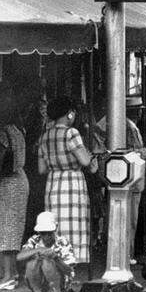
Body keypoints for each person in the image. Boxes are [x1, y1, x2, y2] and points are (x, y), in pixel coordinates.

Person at [38, 96, 96, 266]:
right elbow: (85, 161)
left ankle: (57, 267)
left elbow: (41, 169)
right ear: (70, 114)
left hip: (53, 184)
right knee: (72, 228)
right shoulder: (71, 133)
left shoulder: (45, 136)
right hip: (72, 184)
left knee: (56, 227)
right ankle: (70, 268)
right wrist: (91, 158)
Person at [94, 95, 146, 262]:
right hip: (130, 179)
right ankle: (126, 254)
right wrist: (143, 152)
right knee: (129, 219)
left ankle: (117, 252)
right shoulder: (129, 127)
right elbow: (136, 152)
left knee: (116, 216)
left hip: (118, 177)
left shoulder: (112, 124)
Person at [0, 99, 29, 291]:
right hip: (20, 180)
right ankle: (11, 273)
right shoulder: (18, 130)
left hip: (8, 182)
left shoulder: (2, 134)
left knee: (3, 227)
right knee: (12, 228)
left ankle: (6, 276)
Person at [17, 211, 76, 292]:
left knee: (47, 263)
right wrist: (39, 250)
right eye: (43, 233)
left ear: (55, 229)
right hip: (39, 281)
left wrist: (56, 258)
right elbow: (19, 257)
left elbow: (70, 271)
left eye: (49, 233)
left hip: (60, 282)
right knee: (32, 263)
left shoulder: (63, 242)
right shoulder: (34, 240)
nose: (46, 236)